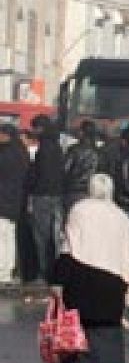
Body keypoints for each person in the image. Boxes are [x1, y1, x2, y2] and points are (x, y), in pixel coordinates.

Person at [51, 173, 129, 363]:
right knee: (105, 332)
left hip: (80, 276)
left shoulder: (79, 210)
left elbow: (68, 246)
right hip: (112, 281)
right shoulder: (121, 216)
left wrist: (58, 280)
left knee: (75, 331)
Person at [25, 115, 66, 282]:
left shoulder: (44, 148)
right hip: (57, 195)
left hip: (42, 196)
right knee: (56, 238)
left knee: (41, 237)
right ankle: (57, 273)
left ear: (40, 128)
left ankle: (44, 273)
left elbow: (40, 175)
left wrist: (31, 190)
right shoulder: (57, 145)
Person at [0, 123, 29, 284]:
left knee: (2, 236)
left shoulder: (5, 154)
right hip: (16, 200)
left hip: (3, 199)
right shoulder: (22, 151)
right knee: (9, 236)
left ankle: (2, 272)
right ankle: (7, 270)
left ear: (6, 135)